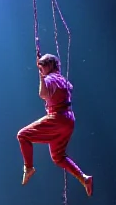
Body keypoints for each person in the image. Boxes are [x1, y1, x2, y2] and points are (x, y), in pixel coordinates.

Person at [17, 54, 93, 196]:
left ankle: (28, 168)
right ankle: (84, 178)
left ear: (50, 65)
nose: (42, 70)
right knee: (58, 157)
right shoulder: (63, 80)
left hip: (57, 118)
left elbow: (43, 94)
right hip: (69, 120)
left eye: (43, 66)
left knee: (23, 135)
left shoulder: (50, 79)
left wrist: (41, 78)